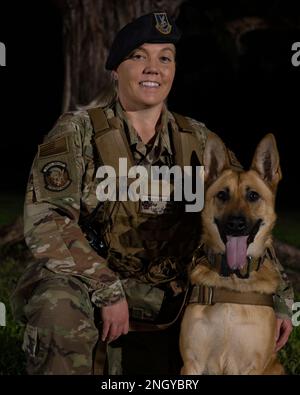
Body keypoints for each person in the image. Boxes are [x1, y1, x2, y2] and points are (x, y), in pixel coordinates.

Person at [12, 12, 293, 375]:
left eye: (164, 58)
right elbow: (47, 220)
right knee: (57, 306)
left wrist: (281, 299)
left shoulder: (199, 141)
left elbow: (246, 217)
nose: (153, 68)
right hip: (93, 286)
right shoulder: (76, 133)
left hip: (170, 296)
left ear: (174, 69)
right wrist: (107, 288)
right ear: (115, 69)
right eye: (138, 56)